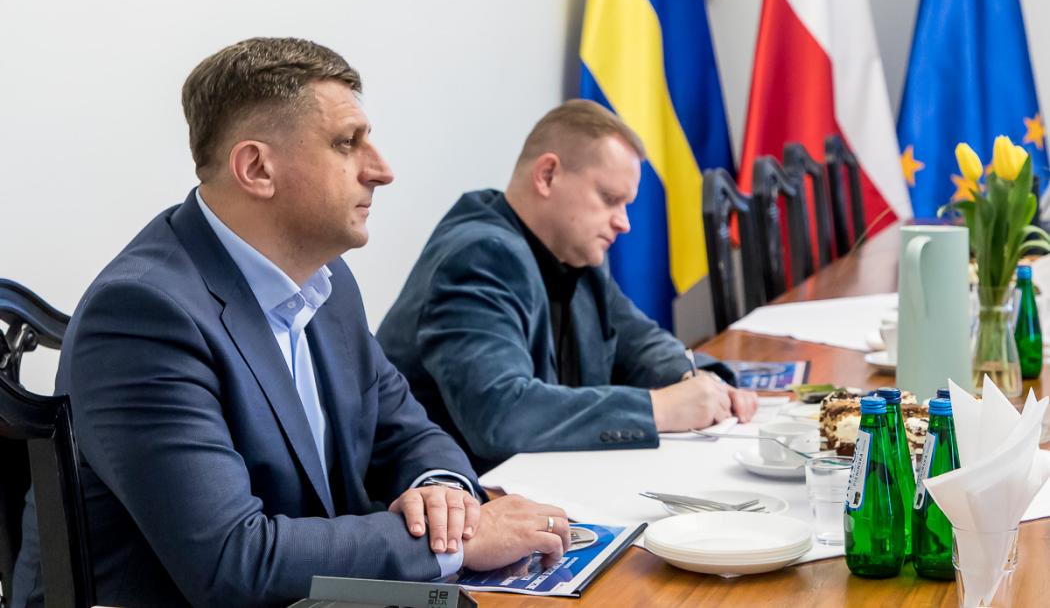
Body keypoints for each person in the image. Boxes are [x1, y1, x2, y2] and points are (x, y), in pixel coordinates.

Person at [12, 38, 570, 608]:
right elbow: (232, 561)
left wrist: (443, 492)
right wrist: (455, 544)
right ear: (257, 168)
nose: (381, 170)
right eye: (347, 143)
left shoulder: (326, 281)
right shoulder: (143, 315)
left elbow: (406, 432)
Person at [377, 100, 759, 474]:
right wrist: (659, 409)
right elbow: (501, 415)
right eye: (609, 199)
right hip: (460, 498)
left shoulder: (575, 253)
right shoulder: (480, 256)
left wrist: (701, 381)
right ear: (547, 175)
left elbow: (640, 342)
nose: (624, 223)